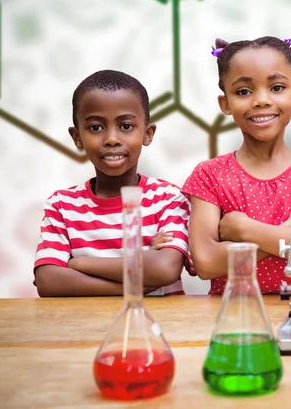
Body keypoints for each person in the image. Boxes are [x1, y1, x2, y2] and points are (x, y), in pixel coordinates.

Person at [182, 36, 291, 294]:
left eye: (276, 87)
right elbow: (206, 263)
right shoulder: (209, 175)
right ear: (225, 104)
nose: (261, 100)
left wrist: (244, 229)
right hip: (232, 320)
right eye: (243, 92)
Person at [34, 70, 192, 297]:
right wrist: (137, 281)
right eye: (96, 127)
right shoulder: (61, 205)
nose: (111, 139)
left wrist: (80, 263)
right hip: (83, 330)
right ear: (77, 137)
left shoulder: (167, 198)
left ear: (148, 134)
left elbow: (164, 269)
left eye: (126, 126)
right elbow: (48, 281)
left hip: (159, 328)